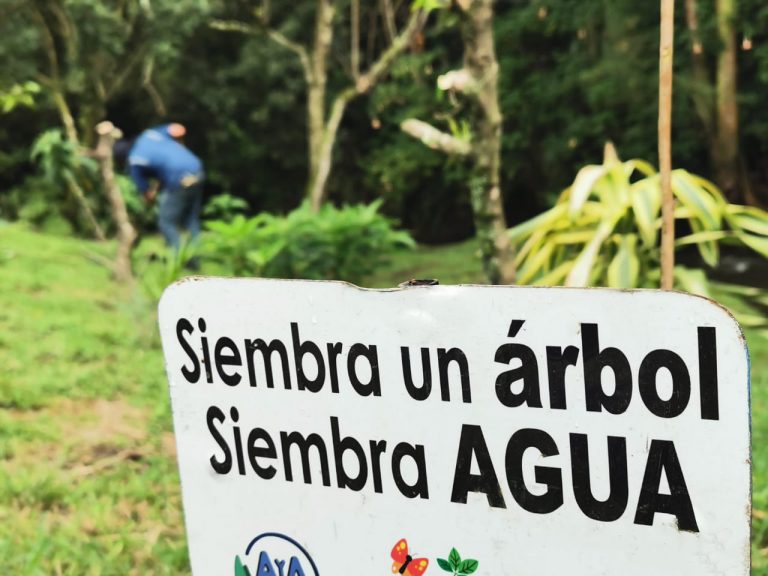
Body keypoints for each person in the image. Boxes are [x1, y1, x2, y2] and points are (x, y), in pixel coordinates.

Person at [127, 123, 204, 252]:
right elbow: (176, 128)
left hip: (179, 178)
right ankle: (195, 260)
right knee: (191, 219)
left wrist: (148, 195)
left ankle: (181, 261)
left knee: (166, 222)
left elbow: (146, 193)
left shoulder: (134, 160)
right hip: (197, 169)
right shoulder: (150, 134)